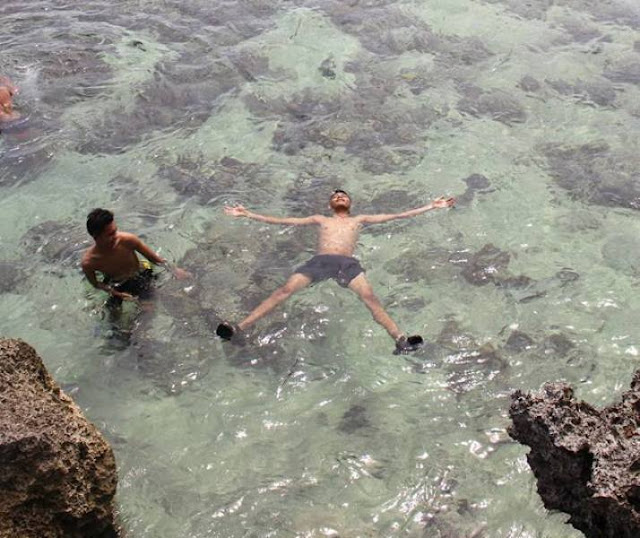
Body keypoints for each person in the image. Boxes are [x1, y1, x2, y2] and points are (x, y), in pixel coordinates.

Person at [217, 190, 455, 353]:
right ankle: (239, 328)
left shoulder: (359, 219)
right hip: (320, 261)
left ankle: (400, 339)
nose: (340, 197)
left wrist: (431, 206)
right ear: (330, 204)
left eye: (344, 196)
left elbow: (396, 216)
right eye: (336, 196)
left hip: (346, 263)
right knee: (284, 291)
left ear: (349, 203)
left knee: (371, 299)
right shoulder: (320, 219)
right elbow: (285, 221)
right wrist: (249, 214)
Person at [81, 208, 189, 306]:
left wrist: (174, 270)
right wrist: (116, 293)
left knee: (149, 309)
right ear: (95, 236)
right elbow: (96, 284)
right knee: (113, 319)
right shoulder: (89, 262)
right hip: (116, 284)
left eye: (116, 230)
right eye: (110, 234)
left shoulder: (128, 240)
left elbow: (153, 258)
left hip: (140, 274)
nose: (116, 236)